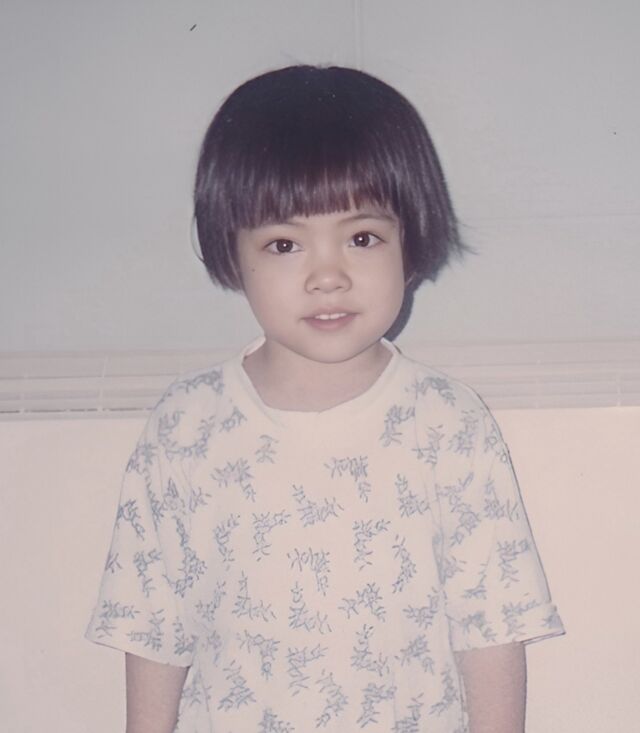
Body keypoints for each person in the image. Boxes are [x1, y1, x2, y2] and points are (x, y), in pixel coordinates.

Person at [86, 65, 564, 733]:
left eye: (362, 238)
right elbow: (153, 628)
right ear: (233, 252)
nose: (328, 275)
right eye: (284, 244)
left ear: (411, 240)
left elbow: (492, 629)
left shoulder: (449, 425)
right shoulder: (187, 426)